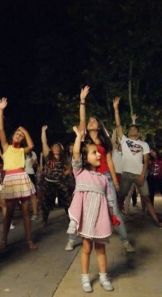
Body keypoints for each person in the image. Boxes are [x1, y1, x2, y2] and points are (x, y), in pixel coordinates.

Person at [74, 86, 135, 253]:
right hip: (89, 179)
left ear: (99, 126)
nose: (90, 122)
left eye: (94, 120)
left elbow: (109, 161)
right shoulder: (84, 139)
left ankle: (125, 241)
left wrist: (115, 181)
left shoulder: (104, 142)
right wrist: (82, 101)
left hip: (106, 177)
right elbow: (81, 120)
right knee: (82, 210)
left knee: (115, 210)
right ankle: (72, 239)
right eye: (90, 120)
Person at [67, 125, 119, 293]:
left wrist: (112, 216)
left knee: (101, 248)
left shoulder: (103, 178)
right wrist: (78, 137)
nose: (98, 154)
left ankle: (104, 276)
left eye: (98, 152)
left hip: (101, 218)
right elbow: (75, 155)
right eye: (94, 153)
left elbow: (110, 199)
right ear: (85, 157)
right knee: (86, 248)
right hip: (87, 219)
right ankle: (85, 279)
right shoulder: (80, 172)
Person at [113, 97, 162, 229]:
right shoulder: (124, 140)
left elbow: (147, 161)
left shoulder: (144, 144)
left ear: (138, 132)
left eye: (134, 128)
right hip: (126, 174)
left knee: (147, 198)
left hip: (139, 174)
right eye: (130, 128)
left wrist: (143, 175)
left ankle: (156, 220)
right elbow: (118, 125)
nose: (132, 130)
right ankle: (115, 219)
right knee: (121, 197)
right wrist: (116, 109)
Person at [0, 97, 37, 250]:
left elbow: (31, 145)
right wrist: (0, 110)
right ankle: (4, 239)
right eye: (17, 134)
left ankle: (29, 240)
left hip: (22, 177)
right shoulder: (6, 146)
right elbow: (1, 129)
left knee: (26, 210)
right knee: (10, 212)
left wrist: (25, 130)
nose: (18, 136)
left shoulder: (22, 149)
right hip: (10, 178)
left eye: (20, 136)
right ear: (12, 135)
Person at [40, 125, 71, 230]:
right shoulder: (48, 156)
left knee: (67, 200)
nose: (56, 148)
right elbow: (44, 143)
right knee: (46, 202)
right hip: (49, 182)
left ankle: (71, 218)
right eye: (54, 147)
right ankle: (44, 220)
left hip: (60, 182)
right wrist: (43, 131)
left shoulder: (63, 159)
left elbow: (69, 169)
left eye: (58, 147)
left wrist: (63, 174)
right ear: (52, 149)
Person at [25, 150, 39, 220]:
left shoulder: (32, 153)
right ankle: (25, 213)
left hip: (30, 174)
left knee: (32, 194)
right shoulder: (18, 152)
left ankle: (35, 214)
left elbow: (33, 163)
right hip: (20, 174)